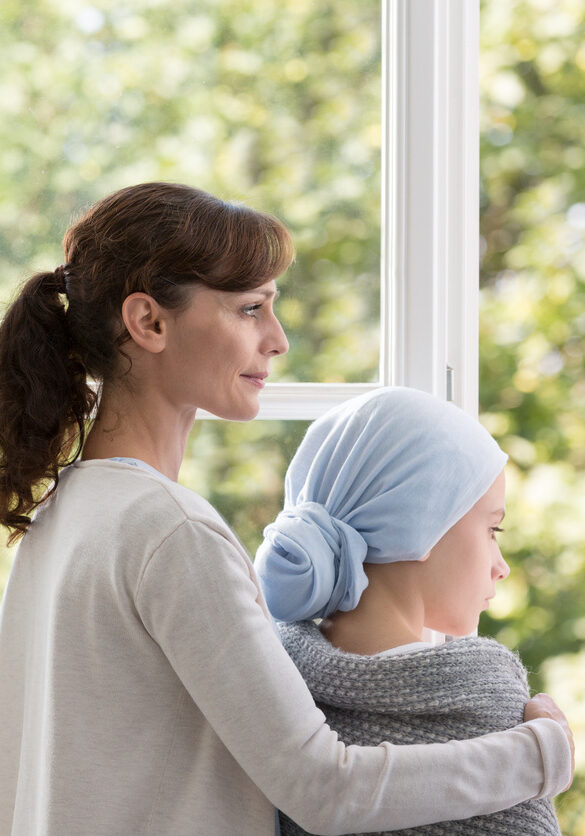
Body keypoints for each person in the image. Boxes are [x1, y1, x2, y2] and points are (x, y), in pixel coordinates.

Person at [0, 183, 573, 836]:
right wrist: (540, 753)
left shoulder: (62, 511)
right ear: (149, 322)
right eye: (249, 309)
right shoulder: (169, 530)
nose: (277, 340)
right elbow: (323, 788)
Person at [255, 386, 569, 835]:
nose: (501, 566)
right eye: (492, 529)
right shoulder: (488, 703)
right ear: (423, 521)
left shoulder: (277, 692)